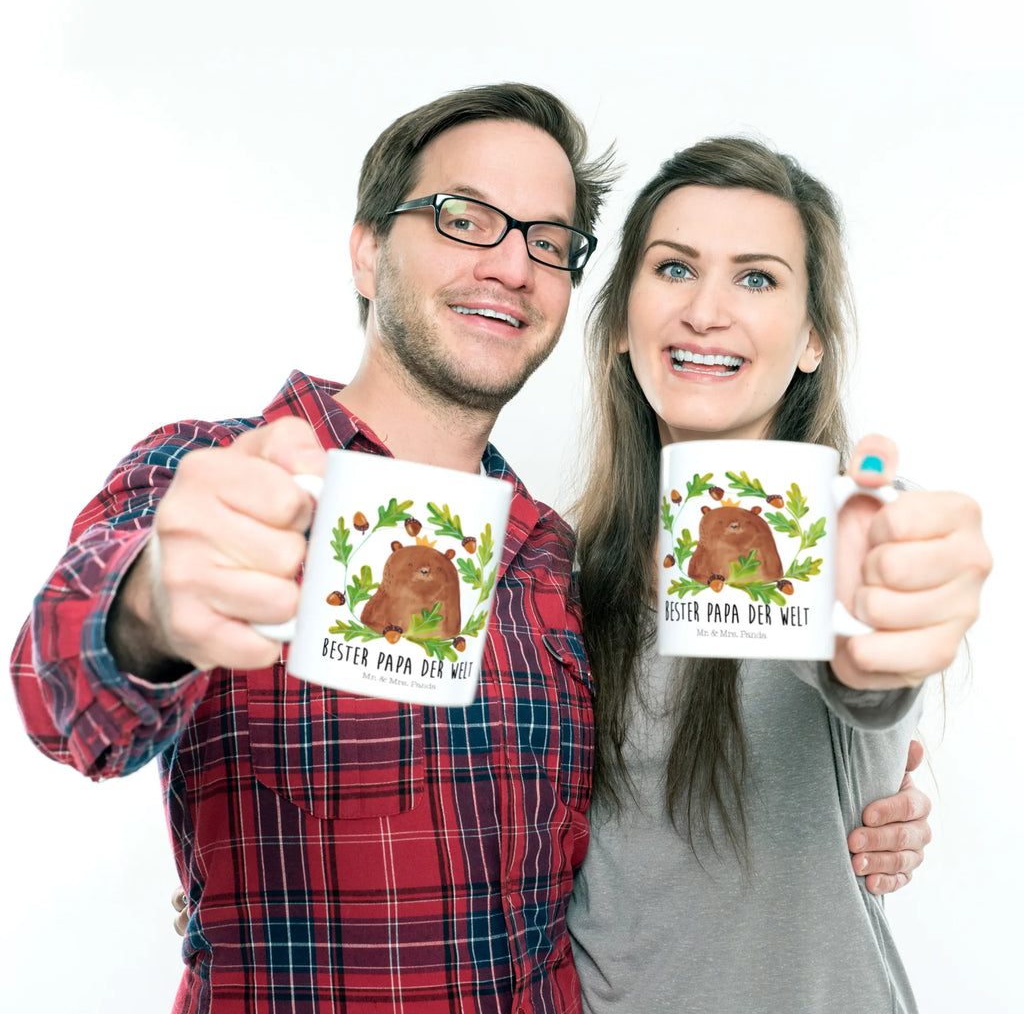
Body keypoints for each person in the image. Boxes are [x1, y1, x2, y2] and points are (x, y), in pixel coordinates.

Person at [12, 83, 933, 1014]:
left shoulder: (554, 565)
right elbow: (61, 696)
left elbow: (793, 724)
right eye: (465, 219)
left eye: (545, 241)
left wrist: (865, 793)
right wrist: (154, 607)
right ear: (368, 250)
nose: (509, 265)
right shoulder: (215, 477)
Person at [566, 136, 991, 1012]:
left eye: (756, 278)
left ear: (810, 343)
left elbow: (867, 671)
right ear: (618, 322)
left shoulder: (848, 532)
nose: (706, 312)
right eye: (675, 269)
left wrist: (885, 634)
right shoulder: (562, 572)